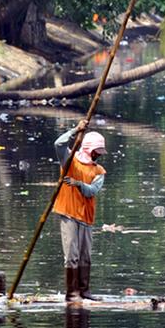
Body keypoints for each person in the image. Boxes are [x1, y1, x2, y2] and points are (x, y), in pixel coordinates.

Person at [53, 119, 106, 303]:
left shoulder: (99, 171)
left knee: (85, 256)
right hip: (69, 212)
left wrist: (78, 184)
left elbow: (92, 191)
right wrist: (76, 130)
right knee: (72, 255)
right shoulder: (69, 160)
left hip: (86, 216)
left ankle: (84, 290)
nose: (98, 156)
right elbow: (58, 144)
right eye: (96, 152)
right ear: (88, 149)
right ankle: (72, 292)